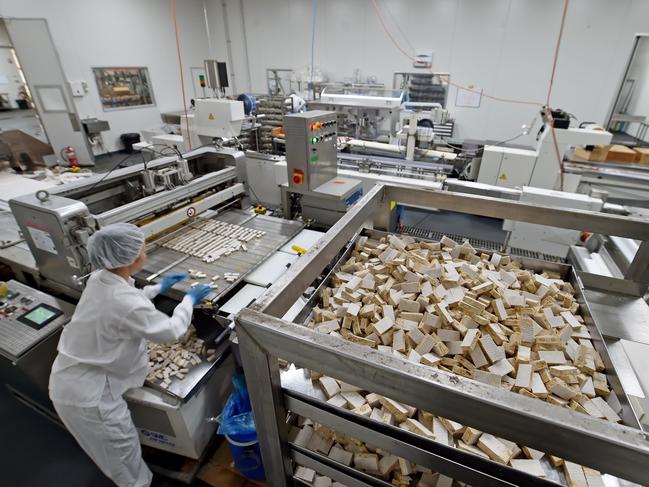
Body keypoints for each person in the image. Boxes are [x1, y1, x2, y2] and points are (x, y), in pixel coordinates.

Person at [49, 223, 210, 487]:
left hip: (72, 375)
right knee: (124, 459)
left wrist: (156, 289)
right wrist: (188, 301)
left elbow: (124, 300)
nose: (144, 251)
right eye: (142, 248)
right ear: (132, 259)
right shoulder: (125, 302)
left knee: (121, 451)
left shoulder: (99, 277)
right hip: (90, 397)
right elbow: (170, 330)